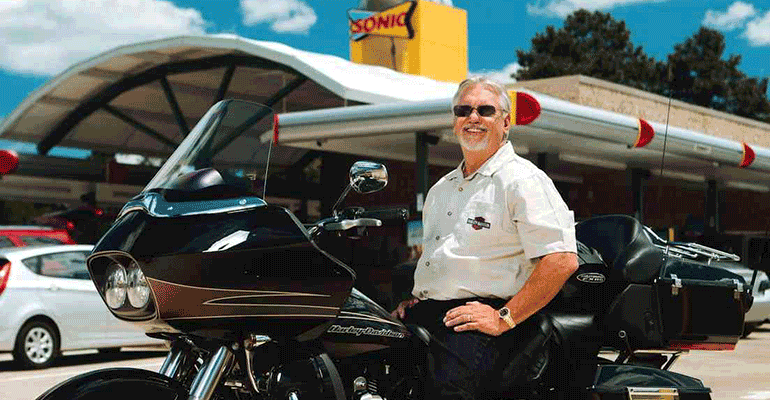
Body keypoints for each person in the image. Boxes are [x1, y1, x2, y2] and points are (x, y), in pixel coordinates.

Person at [391, 77, 578, 400]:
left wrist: (503, 317)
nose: (473, 117)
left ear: (505, 123)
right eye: (463, 110)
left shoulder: (523, 180)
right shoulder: (441, 189)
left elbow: (561, 259)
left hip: (486, 320)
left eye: (485, 110)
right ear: (454, 122)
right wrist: (423, 297)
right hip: (432, 314)